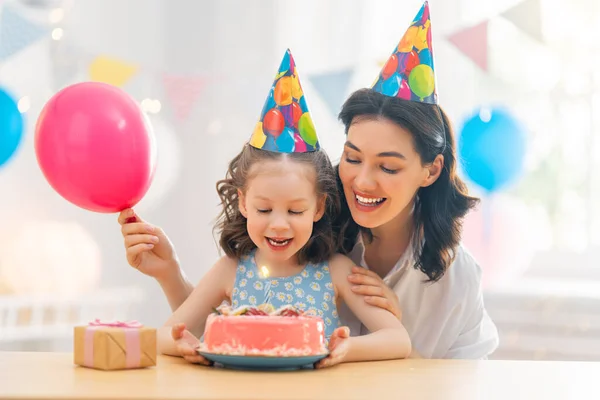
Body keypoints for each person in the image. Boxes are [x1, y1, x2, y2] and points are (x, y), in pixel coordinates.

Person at [119, 2, 498, 359]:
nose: (362, 181)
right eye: (352, 158)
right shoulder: (313, 235)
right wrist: (170, 274)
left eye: (388, 167)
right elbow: (219, 324)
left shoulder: (453, 280)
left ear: (431, 170)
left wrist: (391, 332)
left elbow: (452, 381)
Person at [145, 49, 412, 368]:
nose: (279, 225)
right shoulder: (231, 270)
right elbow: (164, 335)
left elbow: (398, 339)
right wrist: (188, 344)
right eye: (264, 210)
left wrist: (344, 349)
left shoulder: (335, 270)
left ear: (318, 207)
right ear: (243, 202)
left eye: (295, 211)